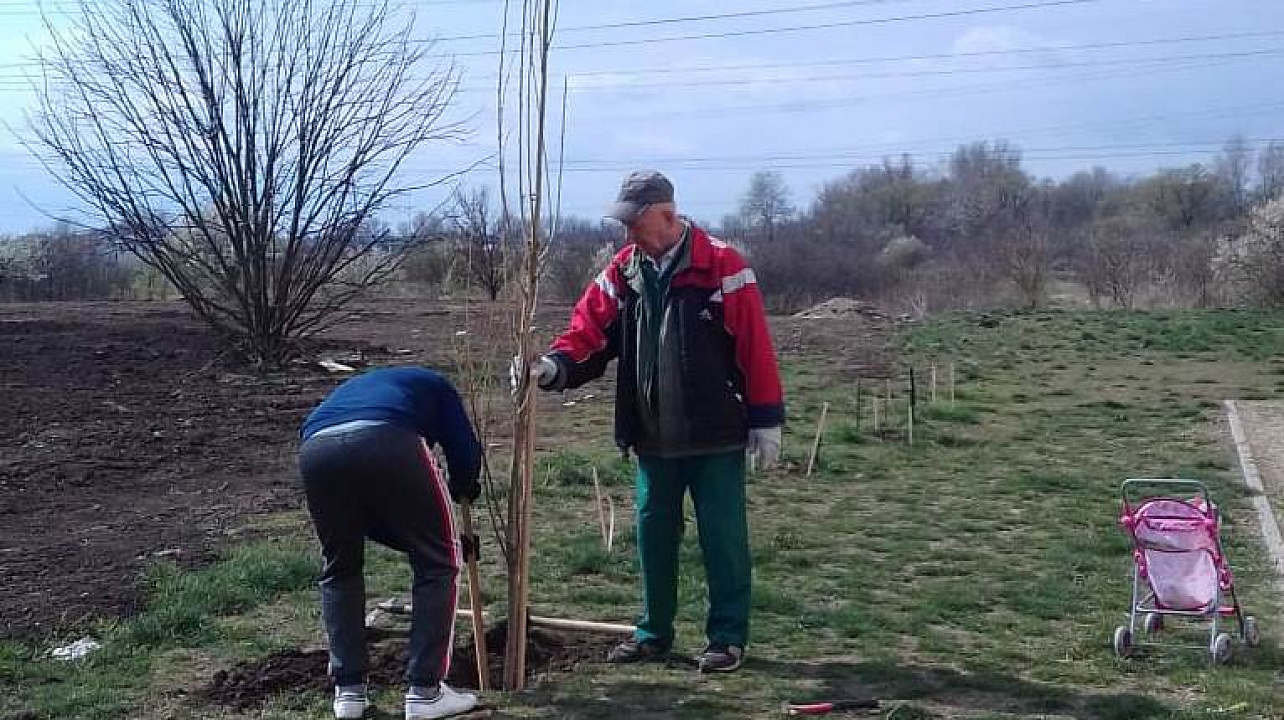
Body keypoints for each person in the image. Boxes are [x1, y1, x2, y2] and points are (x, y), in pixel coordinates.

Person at [528, 170, 784, 673]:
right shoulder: (624, 272)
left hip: (715, 438)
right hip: (652, 438)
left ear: (666, 216)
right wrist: (554, 365)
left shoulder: (723, 266)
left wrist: (766, 418)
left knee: (724, 538)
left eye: (635, 223)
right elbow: (588, 332)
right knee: (653, 538)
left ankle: (727, 638)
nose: (627, 234)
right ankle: (652, 634)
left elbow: (755, 346)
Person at [298, 366, 483, 720]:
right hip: (389, 438)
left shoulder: (353, 391)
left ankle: (348, 694)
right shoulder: (438, 386)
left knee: (340, 568)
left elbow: (368, 520)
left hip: (316, 450)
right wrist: (464, 486)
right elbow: (463, 448)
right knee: (439, 563)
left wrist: (419, 538)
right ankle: (426, 692)